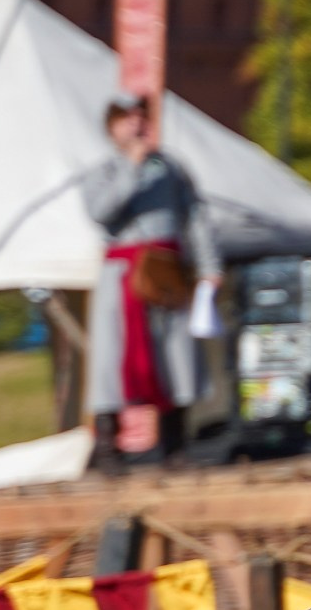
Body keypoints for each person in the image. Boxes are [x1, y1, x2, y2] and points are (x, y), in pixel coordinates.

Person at [83, 93, 219, 470]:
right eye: (128, 119)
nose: (138, 125)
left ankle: (174, 446)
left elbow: (196, 216)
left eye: (142, 117)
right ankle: (109, 446)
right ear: (112, 127)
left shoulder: (172, 169)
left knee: (175, 355)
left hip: (165, 271)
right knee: (114, 359)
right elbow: (100, 211)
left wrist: (209, 265)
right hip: (122, 275)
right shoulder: (102, 172)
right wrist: (131, 168)